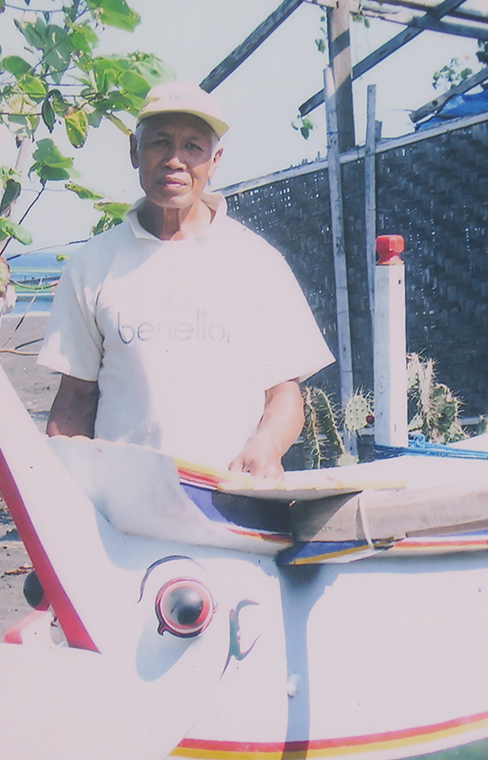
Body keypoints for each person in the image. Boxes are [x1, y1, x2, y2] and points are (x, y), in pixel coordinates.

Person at [37, 82, 333, 478]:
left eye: (193, 147)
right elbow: (74, 402)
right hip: (124, 503)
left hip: (229, 498)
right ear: (134, 152)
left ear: (214, 161)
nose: (175, 160)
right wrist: (67, 484)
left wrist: (266, 446)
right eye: (160, 143)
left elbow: (284, 394)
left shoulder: (257, 262)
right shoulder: (92, 266)